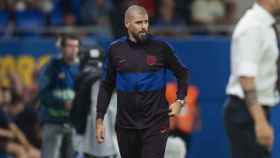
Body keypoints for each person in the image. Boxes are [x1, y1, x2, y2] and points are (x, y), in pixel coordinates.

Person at [95, 5, 189, 158]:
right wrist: (100, 119)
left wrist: (180, 100)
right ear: (127, 24)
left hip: (156, 123)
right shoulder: (115, 50)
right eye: (139, 23)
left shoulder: (161, 48)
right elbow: (106, 85)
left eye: (146, 22)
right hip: (126, 125)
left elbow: (182, 73)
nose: (144, 27)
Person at [224, 0, 280, 158]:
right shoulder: (253, 27)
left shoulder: (266, 25)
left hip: (254, 111)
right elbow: (246, 79)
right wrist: (260, 121)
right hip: (246, 114)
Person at [70, 48, 120, 158]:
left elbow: (77, 110)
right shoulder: (89, 80)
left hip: (90, 139)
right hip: (101, 140)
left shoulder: (83, 78)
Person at [38, 34, 80, 158]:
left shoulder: (81, 68)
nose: (73, 49)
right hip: (52, 122)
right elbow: (43, 95)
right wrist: (63, 103)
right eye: (70, 46)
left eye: (76, 46)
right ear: (62, 48)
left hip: (73, 124)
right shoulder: (51, 67)